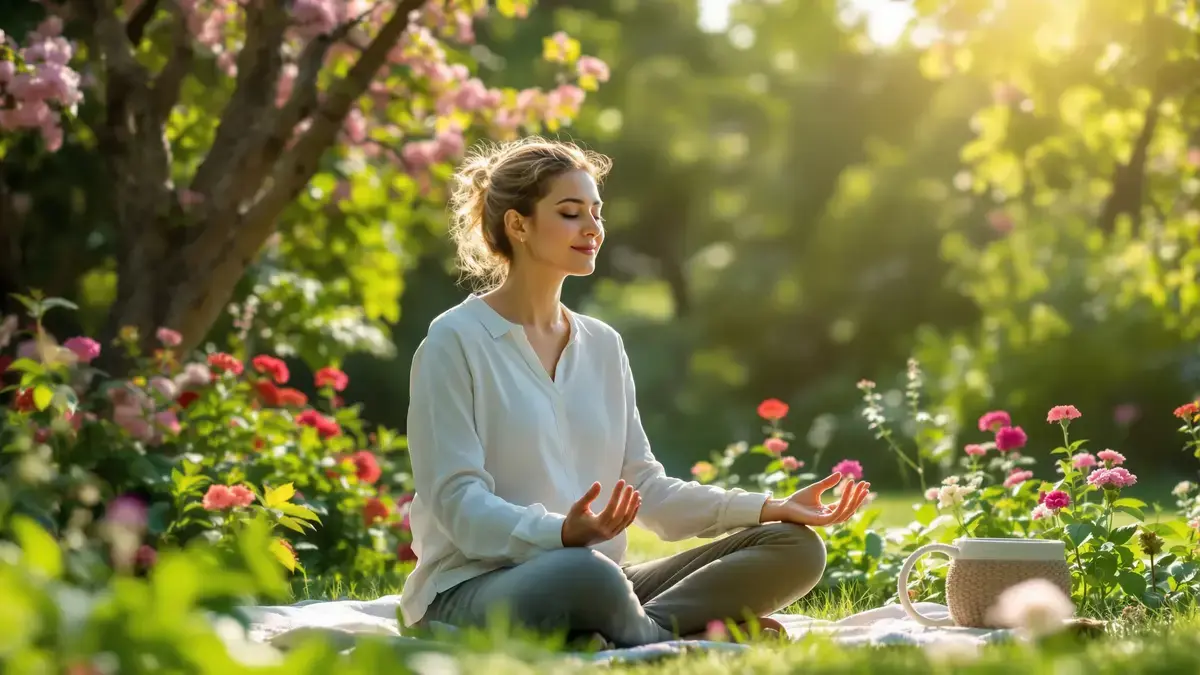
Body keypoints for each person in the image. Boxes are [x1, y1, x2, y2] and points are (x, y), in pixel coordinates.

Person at [399, 137, 870, 647]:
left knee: (796, 548)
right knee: (585, 574)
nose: (593, 229)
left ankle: (624, 630)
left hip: (595, 579)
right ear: (519, 225)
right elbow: (457, 503)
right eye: (570, 212)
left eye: (596, 213)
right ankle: (662, 637)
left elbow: (647, 488)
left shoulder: (603, 344)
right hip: (475, 587)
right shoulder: (454, 341)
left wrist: (767, 507)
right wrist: (560, 534)